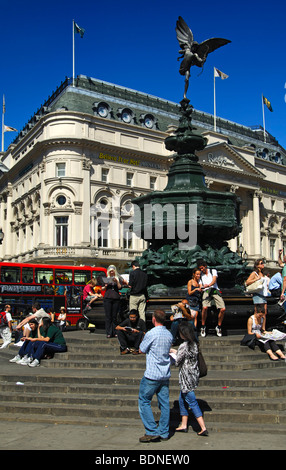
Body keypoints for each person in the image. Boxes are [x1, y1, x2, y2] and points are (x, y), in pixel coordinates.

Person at [138, 309, 173, 443]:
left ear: (153, 319)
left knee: (144, 400)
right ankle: (164, 432)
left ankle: (151, 430)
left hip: (152, 374)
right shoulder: (169, 334)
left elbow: (141, 349)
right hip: (164, 374)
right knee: (164, 404)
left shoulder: (151, 333)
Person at [170, 322, 208, 436]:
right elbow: (186, 355)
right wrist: (175, 351)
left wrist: (173, 354)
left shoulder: (183, 346)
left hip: (185, 376)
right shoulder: (195, 344)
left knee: (192, 401)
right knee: (182, 400)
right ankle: (184, 424)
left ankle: (203, 427)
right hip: (193, 374)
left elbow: (177, 362)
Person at [198, 260, 225, 337]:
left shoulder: (213, 271)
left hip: (214, 290)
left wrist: (208, 285)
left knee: (223, 309)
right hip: (206, 291)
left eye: (202, 268)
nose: (201, 270)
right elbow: (200, 285)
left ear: (205, 266)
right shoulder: (200, 275)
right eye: (200, 269)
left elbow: (214, 281)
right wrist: (201, 288)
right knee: (205, 307)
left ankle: (219, 326)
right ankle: (203, 326)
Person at [102, 265, 123, 338]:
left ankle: (115, 331)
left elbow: (120, 287)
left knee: (114, 316)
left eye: (113, 271)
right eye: (110, 271)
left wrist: (116, 281)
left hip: (116, 298)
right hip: (108, 298)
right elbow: (102, 289)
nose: (111, 272)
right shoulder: (106, 278)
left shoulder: (118, 278)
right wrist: (105, 285)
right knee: (108, 316)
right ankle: (109, 332)